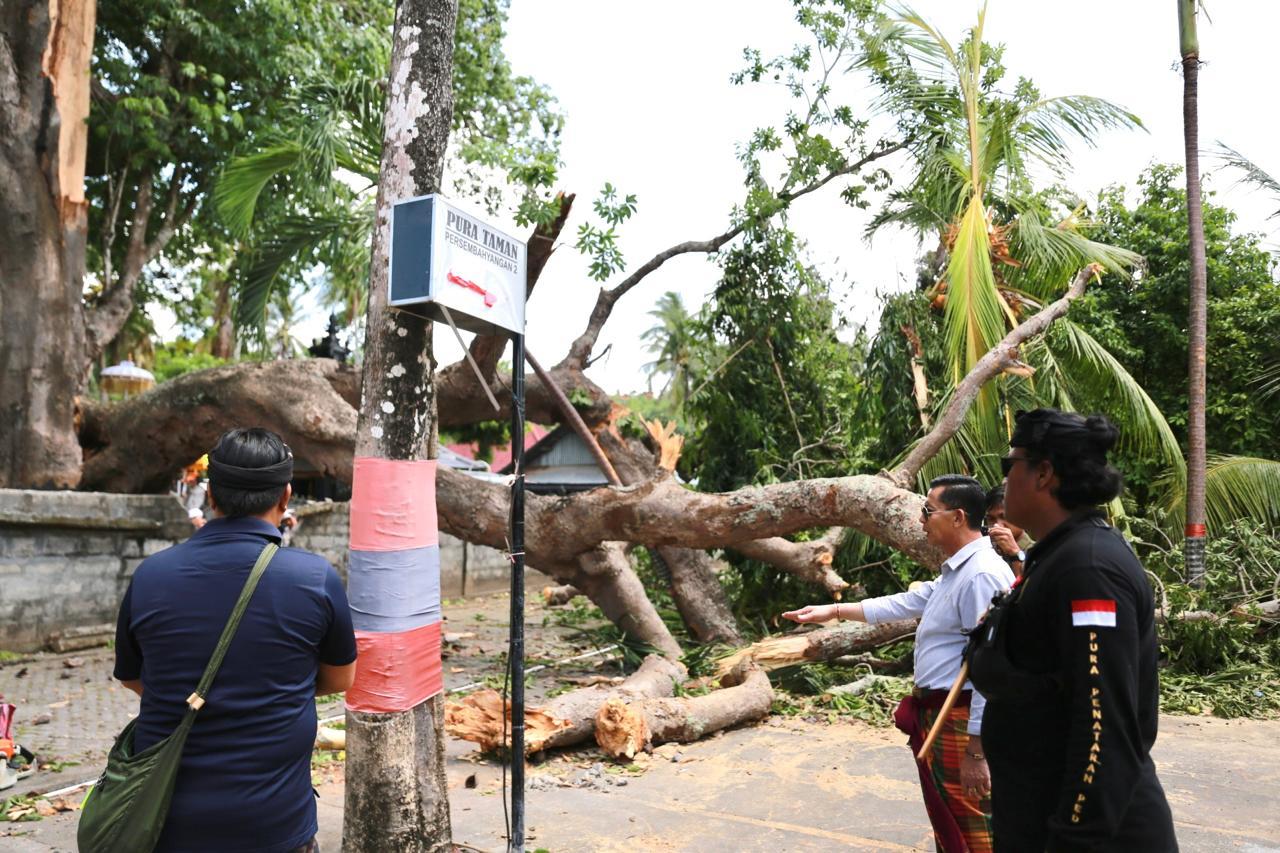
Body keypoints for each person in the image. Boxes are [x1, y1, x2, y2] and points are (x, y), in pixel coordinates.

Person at [111, 428, 357, 853]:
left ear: (210, 496)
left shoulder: (151, 575)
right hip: (276, 827)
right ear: (286, 496)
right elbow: (340, 679)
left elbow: (134, 678)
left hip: (162, 825)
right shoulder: (314, 579)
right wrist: (276, 689)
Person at [972, 409, 1176, 851]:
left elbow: (1103, 726)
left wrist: (1074, 837)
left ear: (1044, 473)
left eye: (1010, 466)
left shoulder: (1088, 567)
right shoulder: (1057, 554)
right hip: (1039, 816)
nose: (1004, 481)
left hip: (1092, 835)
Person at [784, 474, 1015, 853]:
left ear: (958, 517)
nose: (921, 520)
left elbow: (993, 669)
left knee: (973, 825)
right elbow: (904, 603)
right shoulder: (958, 570)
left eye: (928, 511)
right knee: (949, 820)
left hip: (958, 718)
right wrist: (834, 610)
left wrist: (977, 749)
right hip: (937, 715)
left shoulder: (982, 574)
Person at [984, 483, 1030, 577]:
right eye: (991, 519)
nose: (997, 525)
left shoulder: (1037, 553)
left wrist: (1015, 554)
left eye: (1004, 516)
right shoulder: (987, 555)